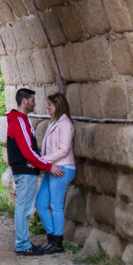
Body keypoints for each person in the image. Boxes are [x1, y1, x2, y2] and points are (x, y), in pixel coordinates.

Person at [6, 88, 63, 257]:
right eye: (32, 100)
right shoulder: (20, 122)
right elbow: (28, 151)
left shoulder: (20, 120)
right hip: (25, 171)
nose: (35, 103)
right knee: (24, 209)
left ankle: (24, 242)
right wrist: (47, 166)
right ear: (24, 102)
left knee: (24, 208)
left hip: (25, 169)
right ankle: (22, 244)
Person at [34, 92, 76, 255]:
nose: (47, 107)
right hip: (52, 167)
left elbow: (64, 149)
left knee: (56, 205)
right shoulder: (54, 122)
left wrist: (42, 160)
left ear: (58, 105)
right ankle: (52, 237)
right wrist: (44, 162)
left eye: (49, 105)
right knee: (41, 203)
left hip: (62, 168)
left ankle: (57, 242)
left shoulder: (65, 124)